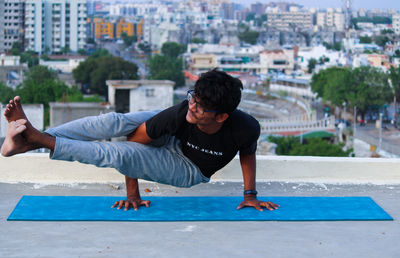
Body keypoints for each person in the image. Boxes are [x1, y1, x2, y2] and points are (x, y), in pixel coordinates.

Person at [1, 69, 279, 212]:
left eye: (201, 107)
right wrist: (132, 192)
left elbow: (247, 153)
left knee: (119, 154)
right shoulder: (184, 111)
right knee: (113, 122)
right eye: (193, 97)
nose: (193, 106)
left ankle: (36, 139)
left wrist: (250, 195)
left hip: (189, 170)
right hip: (172, 139)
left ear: (221, 117)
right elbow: (137, 139)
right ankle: (33, 140)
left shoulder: (245, 127)